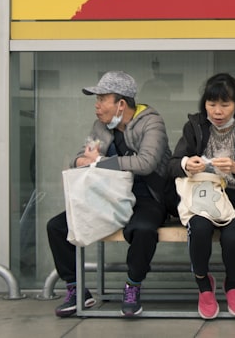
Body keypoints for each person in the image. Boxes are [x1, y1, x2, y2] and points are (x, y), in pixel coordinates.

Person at [46, 70, 176, 319]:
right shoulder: (101, 126)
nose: (97, 106)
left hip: (147, 195)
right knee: (57, 227)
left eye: (102, 99)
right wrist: (81, 160)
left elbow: (146, 163)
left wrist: (101, 162)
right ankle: (76, 289)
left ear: (121, 104)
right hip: (108, 196)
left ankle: (132, 286)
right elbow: (81, 156)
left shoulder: (151, 122)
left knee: (144, 230)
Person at [167, 72, 235, 319]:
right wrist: (186, 164)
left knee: (232, 237)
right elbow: (171, 165)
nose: (218, 111)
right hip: (202, 195)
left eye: (225, 105)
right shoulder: (195, 126)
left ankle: (232, 285)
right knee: (199, 228)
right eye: (212, 104)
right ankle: (204, 287)